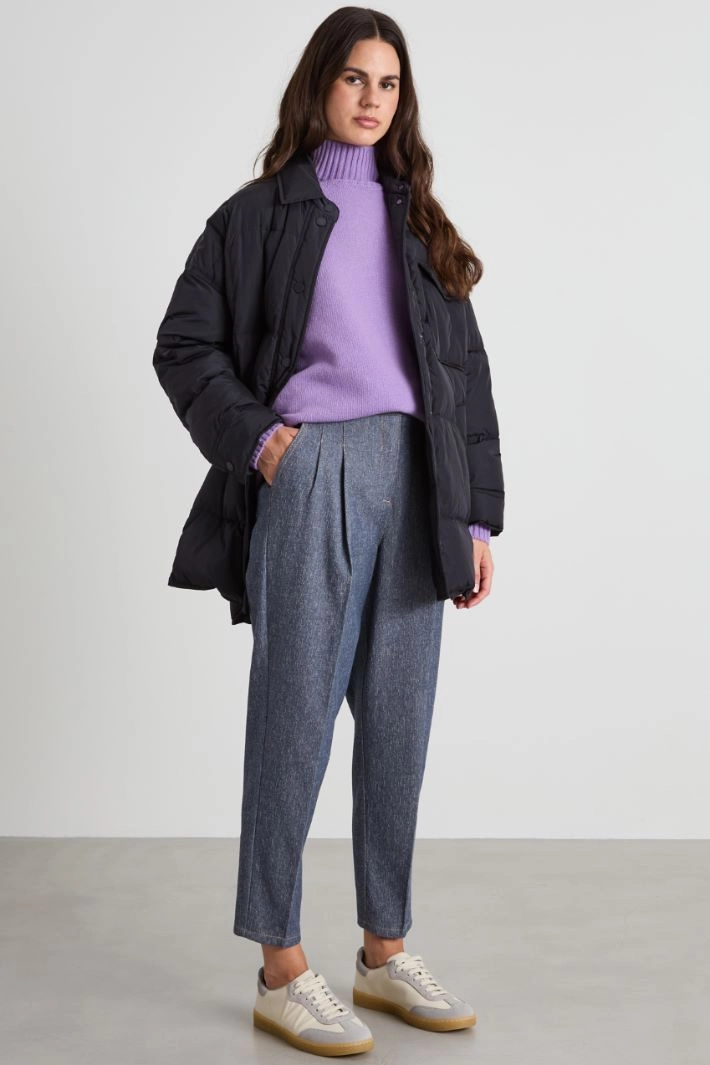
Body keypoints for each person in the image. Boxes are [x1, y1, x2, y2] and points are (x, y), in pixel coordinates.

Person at [153, 7, 504, 1056]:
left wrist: (474, 512)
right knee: (293, 720)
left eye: (388, 84)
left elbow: (463, 377)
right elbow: (184, 345)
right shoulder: (257, 216)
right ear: (320, 84)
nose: (370, 98)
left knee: (399, 725)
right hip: (312, 475)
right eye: (354, 78)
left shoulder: (417, 219)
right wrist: (265, 444)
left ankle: (383, 950)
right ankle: (279, 966)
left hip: (417, 477)